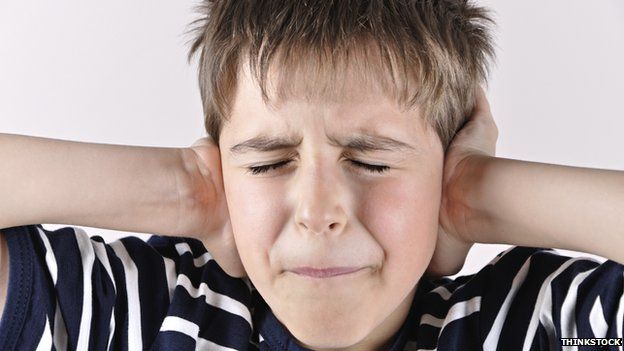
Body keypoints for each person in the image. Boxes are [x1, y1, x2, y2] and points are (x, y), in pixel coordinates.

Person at [1, 1, 623, 350]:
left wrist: (475, 197)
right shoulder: (145, 313)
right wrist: (186, 188)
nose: (318, 210)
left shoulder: (535, 325)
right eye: (269, 163)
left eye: (372, 161)